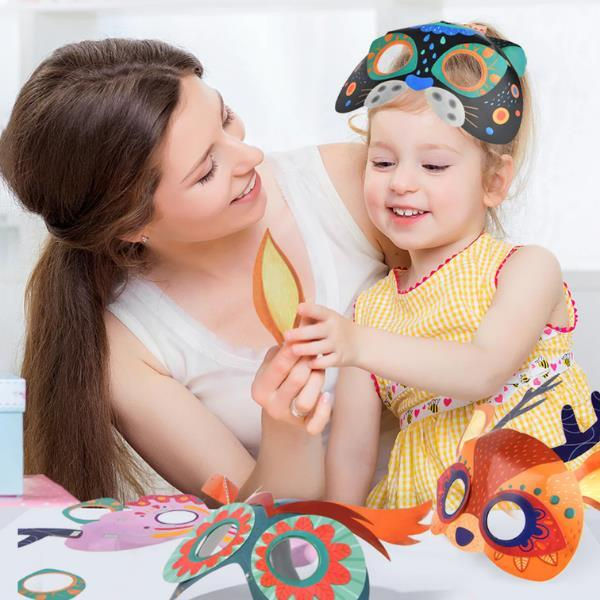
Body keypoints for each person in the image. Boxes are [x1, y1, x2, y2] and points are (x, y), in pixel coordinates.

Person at [0, 38, 406, 501]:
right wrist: (286, 433)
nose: (251, 156)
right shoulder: (130, 351)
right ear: (132, 225)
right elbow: (259, 522)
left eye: (225, 117)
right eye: (207, 170)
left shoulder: (353, 184)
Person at [284, 22, 597, 508]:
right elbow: (350, 454)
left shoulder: (526, 269)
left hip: (546, 498)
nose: (401, 183)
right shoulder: (369, 312)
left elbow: (482, 370)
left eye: (432, 166)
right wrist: (340, 530)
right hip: (432, 515)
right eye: (382, 162)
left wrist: (357, 344)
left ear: (493, 182)